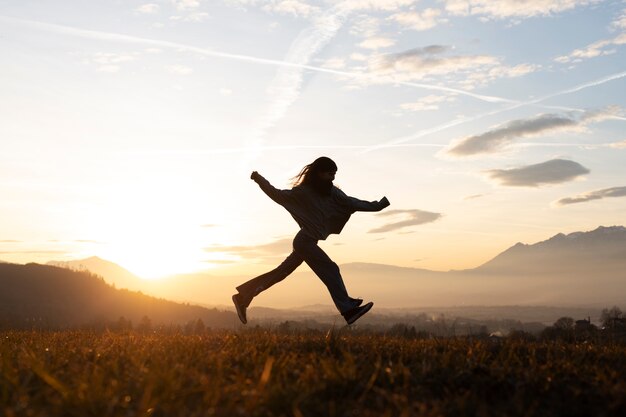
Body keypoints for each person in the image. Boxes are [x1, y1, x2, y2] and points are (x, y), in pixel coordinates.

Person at [232, 156, 390, 325]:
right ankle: (348, 310)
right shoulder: (303, 192)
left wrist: (377, 206)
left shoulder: (332, 192)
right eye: (330, 174)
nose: (333, 178)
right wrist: (259, 179)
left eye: (334, 174)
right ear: (319, 173)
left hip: (308, 242)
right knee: (331, 269)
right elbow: (277, 195)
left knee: (281, 273)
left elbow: (351, 202)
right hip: (304, 242)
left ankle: (243, 297)